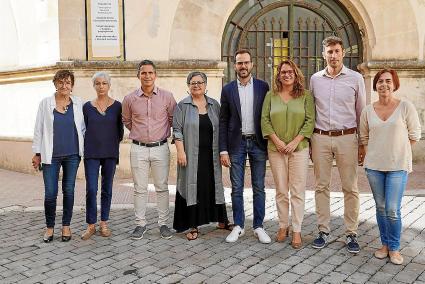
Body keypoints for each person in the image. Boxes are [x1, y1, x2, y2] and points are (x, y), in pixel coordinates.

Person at [310, 35, 366, 253]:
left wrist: (362, 143)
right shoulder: (315, 79)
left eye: (336, 51)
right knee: (321, 186)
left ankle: (351, 233)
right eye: (329, 51)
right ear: (323, 54)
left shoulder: (356, 79)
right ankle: (323, 230)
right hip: (321, 137)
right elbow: (311, 110)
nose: (333, 55)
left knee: (350, 187)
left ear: (343, 53)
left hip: (347, 138)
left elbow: (361, 112)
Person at [359, 69, 421, 264]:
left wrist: (398, 152)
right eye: (380, 81)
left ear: (394, 84)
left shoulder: (405, 107)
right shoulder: (368, 110)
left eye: (388, 81)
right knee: (381, 207)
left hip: (398, 166)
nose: (383, 84)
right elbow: (364, 137)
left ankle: (394, 247)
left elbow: (415, 135)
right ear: (375, 85)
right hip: (374, 167)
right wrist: (374, 154)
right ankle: (384, 244)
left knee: (393, 209)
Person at [261, 60, 315, 248]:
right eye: (283, 72)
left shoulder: (305, 96)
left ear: (296, 73)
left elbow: (310, 121)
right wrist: (277, 141)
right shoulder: (271, 95)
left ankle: (297, 229)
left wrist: (293, 142)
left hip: (298, 150)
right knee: (281, 190)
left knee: (297, 191)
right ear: (278, 75)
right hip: (276, 150)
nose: (287, 75)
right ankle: (283, 226)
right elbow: (265, 120)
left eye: (290, 71)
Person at [172, 71, 232, 240]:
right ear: (188, 86)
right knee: (192, 187)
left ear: (206, 86)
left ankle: (221, 220)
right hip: (190, 155)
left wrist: (223, 151)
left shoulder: (214, 105)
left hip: (211, 155)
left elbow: (221, 129)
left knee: (213, 186)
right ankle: (193, 224)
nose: (196, 85)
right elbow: (176, 130)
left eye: (200, 82)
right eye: (193, 82)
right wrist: (181, 151)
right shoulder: (182, 105)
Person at [219, 49, 271, 244]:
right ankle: (238, 225)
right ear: (235, 66)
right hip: (236, 143)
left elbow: (268, 116)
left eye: (246, 63)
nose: (243, 66)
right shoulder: (228, 89)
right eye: (239, 63)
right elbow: (223, 121)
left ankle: (259, 226)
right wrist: (223, 149)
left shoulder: (263, 87)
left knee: (259, 187)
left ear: (252, 64)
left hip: (258, 143)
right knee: (236, 187)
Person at [122, 60, 177, 240]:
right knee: (139, 188)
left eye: (150, 73)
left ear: (156, 75)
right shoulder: (130, 99)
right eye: (143, 73)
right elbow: (127, 121)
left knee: (162, 187)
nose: (147, 76)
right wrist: (141, 134)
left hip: (161, 148)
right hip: (138, 149)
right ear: (138, 75)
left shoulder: (167, 97)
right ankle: (140, 224)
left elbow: (172, 120)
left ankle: (163, 224)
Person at [32, 69, 85, 243]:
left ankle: (66, 226)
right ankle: (49, 227)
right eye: (61, 82)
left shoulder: (78, 103)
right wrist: (37, 153)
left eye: (68, 82)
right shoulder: (45, 103)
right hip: (50, 156)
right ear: (55, 84)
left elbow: (83, 129)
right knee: (50, 193)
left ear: (72, 86)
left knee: (69, 191)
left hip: (72, 155)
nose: (64, 85)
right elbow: (39, 129)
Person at [81, 72, 124, 240]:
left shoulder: (118, 106)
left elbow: (120, 131)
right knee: (91, 189)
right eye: (97, 83)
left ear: (109, 85)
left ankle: (104, 222)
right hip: (91, 153)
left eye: (104, 83)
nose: (101, 86)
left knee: (107, 189)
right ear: (94, 86)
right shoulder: (86, 107)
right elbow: (83, 129)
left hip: (110, 153)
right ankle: (91, 225)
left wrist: (110, 142)